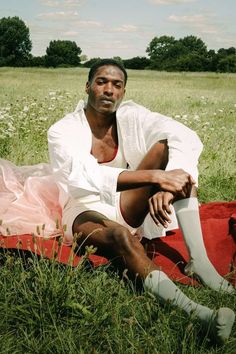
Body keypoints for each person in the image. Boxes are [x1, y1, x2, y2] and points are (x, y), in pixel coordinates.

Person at [47, 58, 235, 344]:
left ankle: (200, 263)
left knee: (168, 146)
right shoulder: (62, 130)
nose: (109, 89)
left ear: (123, 92)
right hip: (85, 207)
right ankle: (199, 314)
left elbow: (185, 136)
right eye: (101, 82)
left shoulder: (132, 116)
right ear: (87, 86)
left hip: (126, 201)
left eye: (117, 84)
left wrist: (169, 186)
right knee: (122, 237)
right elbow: (83, 174)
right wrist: (156, 177)